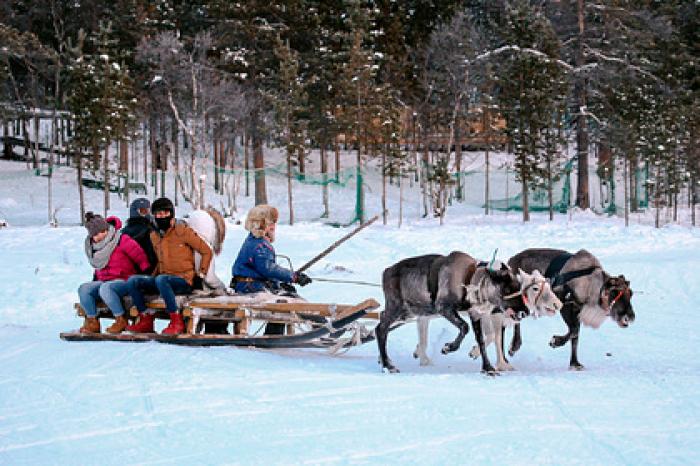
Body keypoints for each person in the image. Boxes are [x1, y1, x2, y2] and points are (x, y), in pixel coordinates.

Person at [126, 197, 213, 335]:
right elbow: (159, 261)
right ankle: (146, 318)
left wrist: (200, 275)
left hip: (183, 280)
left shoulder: (182, 231)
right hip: (163, 280)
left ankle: (176, 320)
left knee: (162, 279)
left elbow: (206, 251)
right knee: (133, 281)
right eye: (158, 214)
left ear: (171, 213)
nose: (162, 217)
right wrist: (149, 278)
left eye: (165, 213)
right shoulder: (154, 235)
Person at [231, 204, 311, 334]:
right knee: (287, 300)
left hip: (250, 284)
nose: (274, 227)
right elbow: (268, 269)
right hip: (250, 287)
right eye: (271, 223)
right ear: (261, 225)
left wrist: (280, 283)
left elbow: (264, 271)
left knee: (287, 294)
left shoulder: (254, 241)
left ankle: (274, 334)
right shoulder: (260, 245)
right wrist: (293, 276)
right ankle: (322, 327)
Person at [78, 212, 150, 334]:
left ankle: (121, 319)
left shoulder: (121, 240)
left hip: (125, 281)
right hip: (104, 282)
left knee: (106, 288)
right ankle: (92, 321)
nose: (100, 236)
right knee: (84, 289)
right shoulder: (92, 248)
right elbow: (98, 267)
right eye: (95, 234)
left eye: (102, 232)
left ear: (106, 229)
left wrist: (146, 277)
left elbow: (140, 257)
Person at [121, 198, 158, 275]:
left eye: (148, 211)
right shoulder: (131, 230)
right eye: (143, 211)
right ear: (134, 211)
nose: (146, 214)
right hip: (143, 269)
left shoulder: (153, 227)